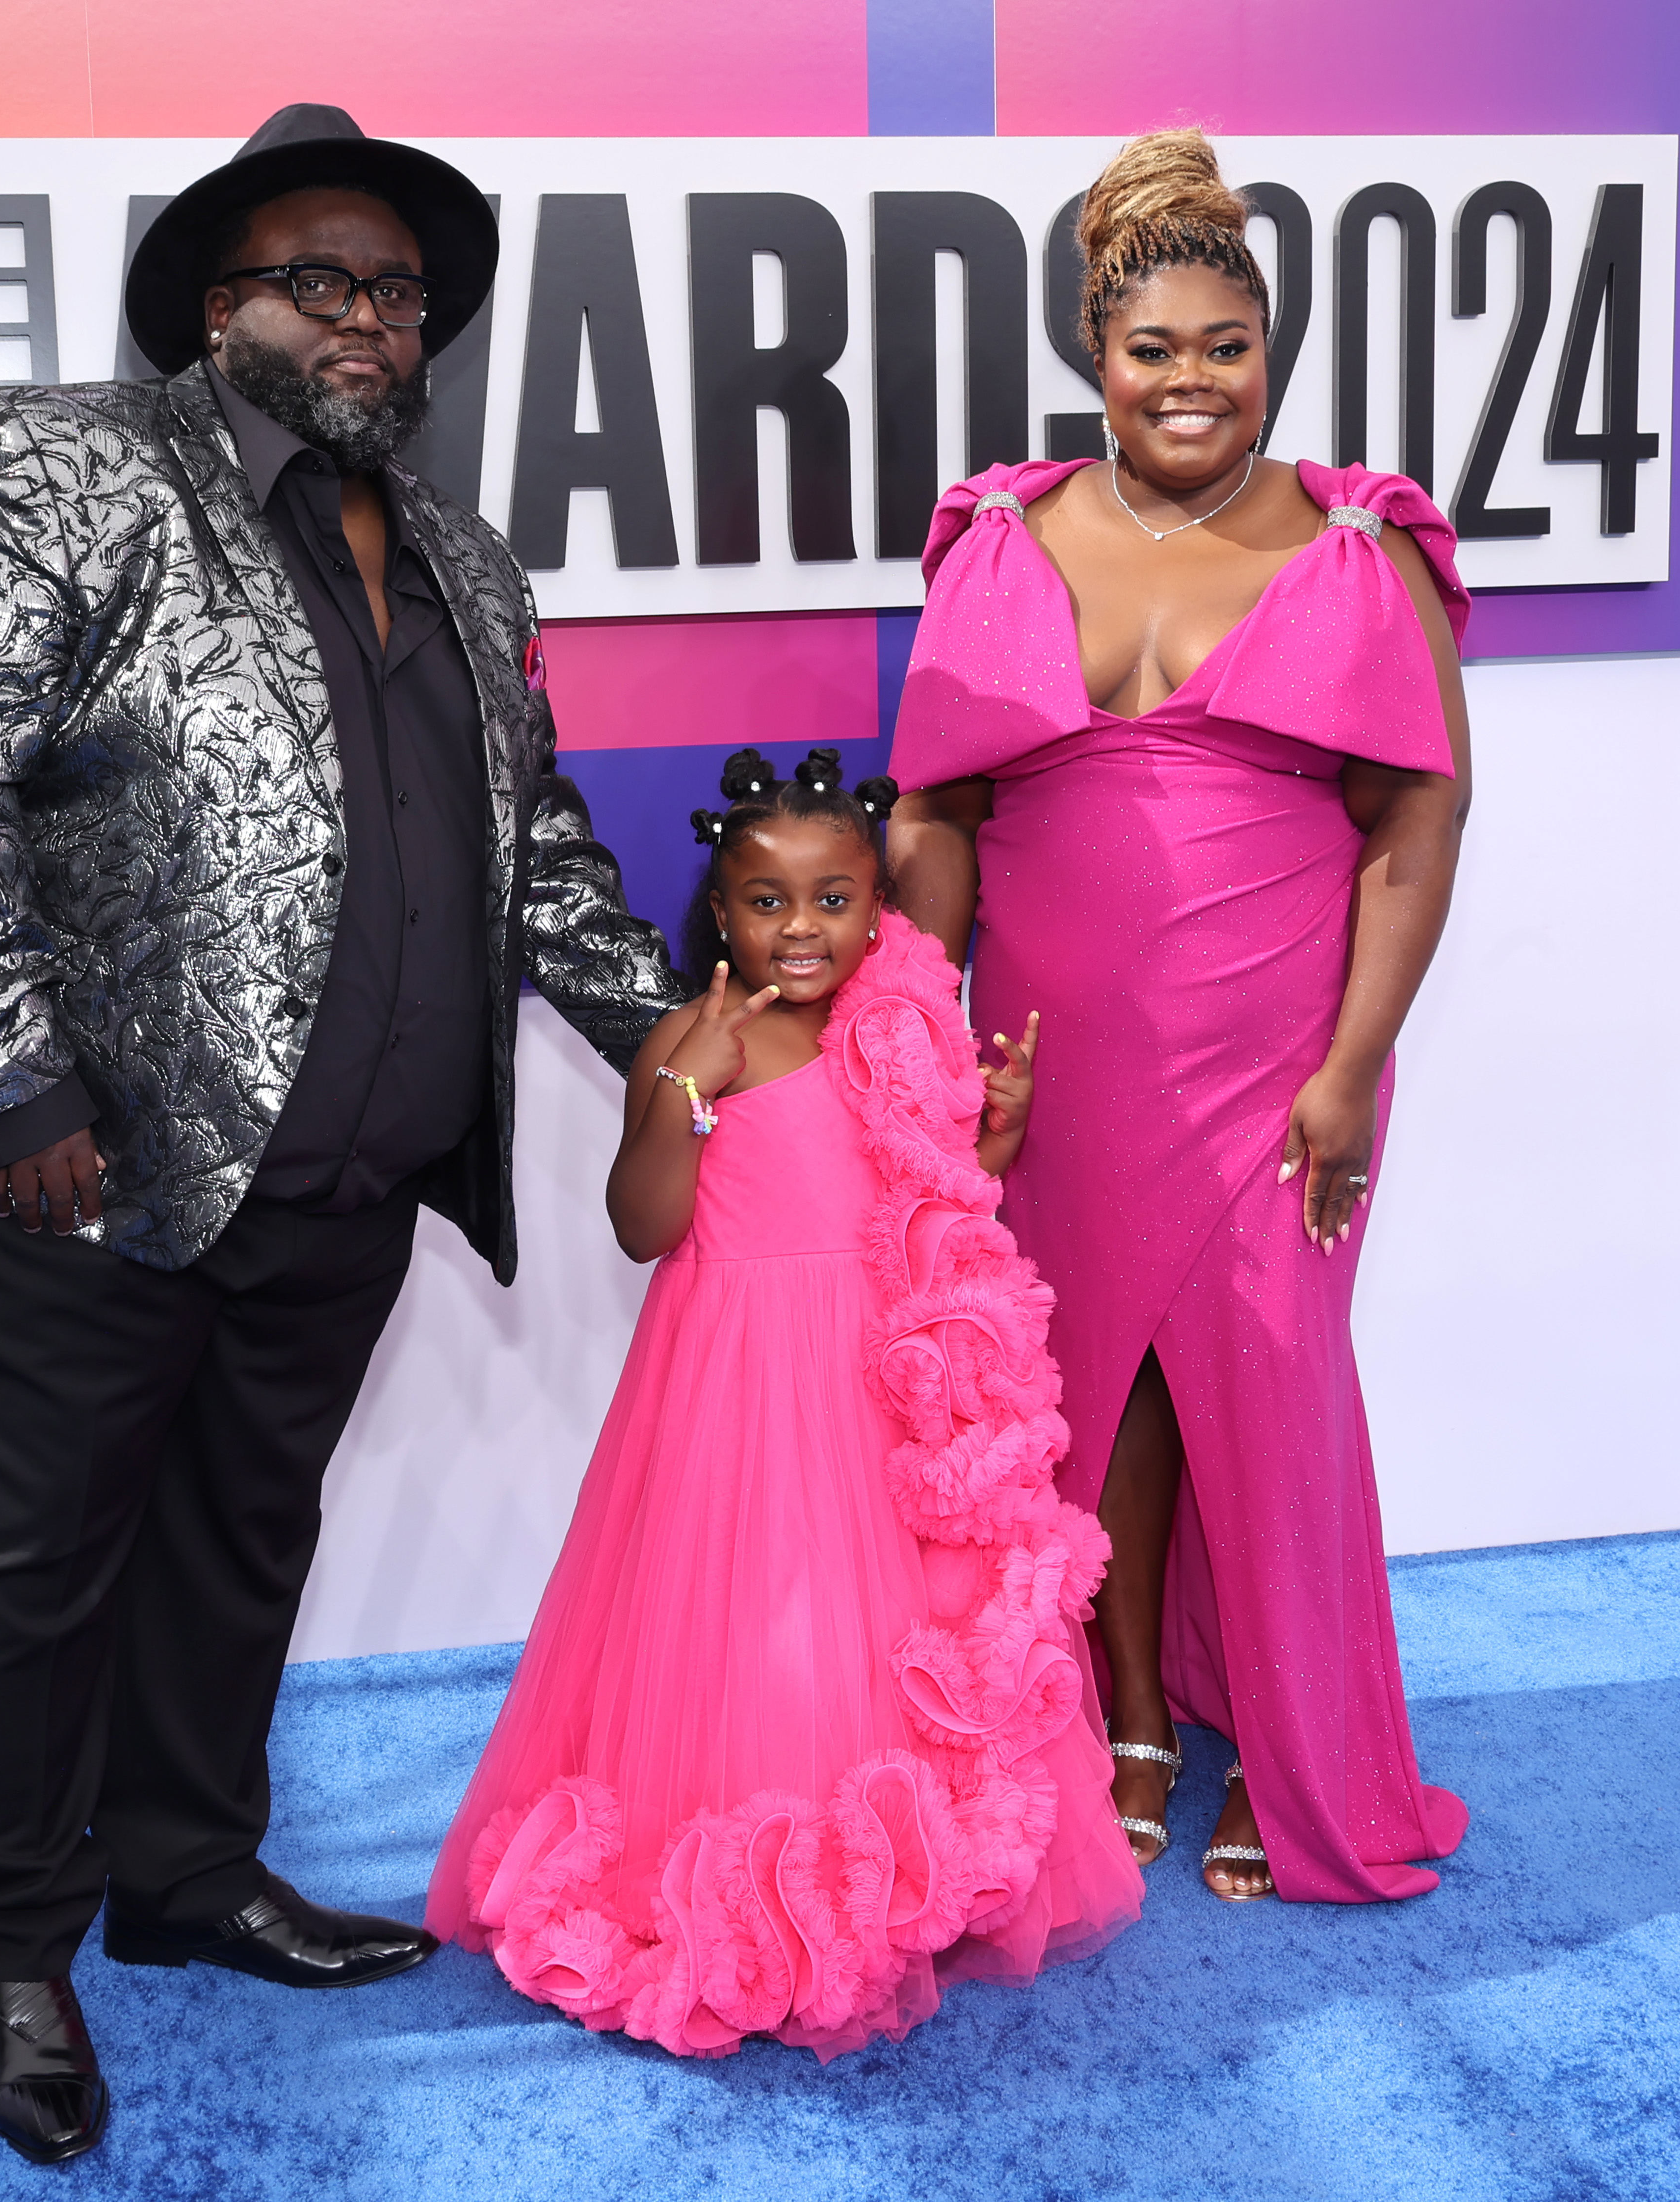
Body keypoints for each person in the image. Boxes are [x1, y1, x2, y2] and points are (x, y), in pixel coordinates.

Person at [0, 105, 683, 2162]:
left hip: (342, 1176)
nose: (374, 321)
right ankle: (16, 1939)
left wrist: (695, 1033)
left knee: (239, 1535)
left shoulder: (468, 561)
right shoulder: (69, 466)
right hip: (67, 1171)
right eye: (324, 280)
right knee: (31, 1566)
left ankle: (190, 1872)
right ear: (221, 312)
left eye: (399, 292)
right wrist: (16, 1079)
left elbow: (533, 851)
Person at [888, 128, 1472, 1905]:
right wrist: (924, 1052)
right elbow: (934, 813)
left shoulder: (1359, 541)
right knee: (1089, 1398)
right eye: (1156, 349)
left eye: (1228, 346)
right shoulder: (1002, 531)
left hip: (1274, 1064)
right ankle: (1132, 1716)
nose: (1193, 381)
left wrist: (1353, 1069)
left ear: (1271, 351)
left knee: (1273, 1400)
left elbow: (1420, 822)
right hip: (1049, 1067)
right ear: (1095, 353)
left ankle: (1294, 1752)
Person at [427, 748, 1144, 2057]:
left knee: (872, 1622)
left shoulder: (901, 1034)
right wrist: (685, 1097)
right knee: (747, 1617)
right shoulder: (702, 1042)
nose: (799, 929)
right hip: (738, 1372)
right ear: (719, 910)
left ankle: (876, 1882)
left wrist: (1000, 1132)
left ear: (880, 910)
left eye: (832, 900)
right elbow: (642, 1228)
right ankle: (747, 1895)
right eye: (767, 901)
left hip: (873, 1372)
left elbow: (927, 1192)